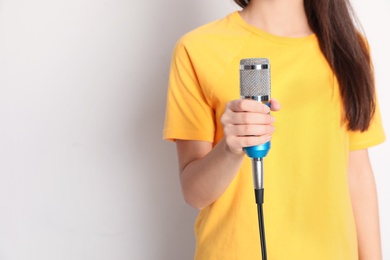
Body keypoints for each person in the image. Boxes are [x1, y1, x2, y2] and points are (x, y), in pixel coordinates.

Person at [163, 0, 386, 259]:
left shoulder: (349, 48)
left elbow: (357, 175)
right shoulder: (197, 48)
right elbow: (194, 193)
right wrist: (230, 148)